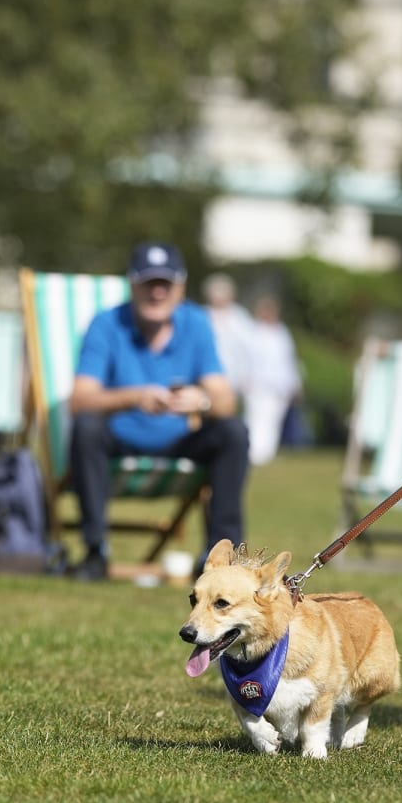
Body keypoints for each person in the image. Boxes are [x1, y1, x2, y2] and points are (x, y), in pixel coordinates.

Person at [67, 242, 249, 581]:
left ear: (180, 286)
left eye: (165, 283)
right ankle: (95, 552)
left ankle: (221, 561)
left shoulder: (196, 323)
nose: (157, 292)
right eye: (149, 283)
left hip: (181, 440)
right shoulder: (106, 324)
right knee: (86, 427)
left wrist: (201, 401)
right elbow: (79, 400)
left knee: (233, 431)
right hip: (119, 439)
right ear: (132, 284)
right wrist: (135, 397)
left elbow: (226, 400)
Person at [243, 294, 304, 465]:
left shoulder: (282, 333)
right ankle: (252, 452)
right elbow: (246, 360)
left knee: (272, 420)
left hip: (279, 387)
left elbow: (289, 361)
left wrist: (295, 384)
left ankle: (265, 453)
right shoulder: (253, 332)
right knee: (255, 418)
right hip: (257, 385)